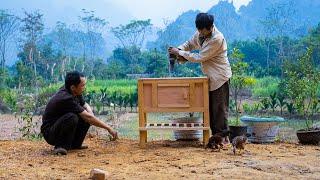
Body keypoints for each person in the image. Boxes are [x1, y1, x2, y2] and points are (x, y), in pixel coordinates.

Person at [168, 12, 232, 139]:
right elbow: (189, 44)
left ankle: (223, 140)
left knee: (219, 111)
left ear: (209, 27)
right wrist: (178, 50)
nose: (199, 32)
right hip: (210, 78)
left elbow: (200, 57)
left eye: (201, 30)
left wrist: (180, 53)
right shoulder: (201, 33)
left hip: (220, 77)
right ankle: (215, 139)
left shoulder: (217, 39)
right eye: (198, 30)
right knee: (210, 111)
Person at [41, 71, 118, 155]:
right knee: (73, 117)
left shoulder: (73, 90)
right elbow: (88, 117)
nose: (84, 87)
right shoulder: (66, 98)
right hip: (50, 133)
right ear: (73, 87)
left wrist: (90, 113)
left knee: (85, 116)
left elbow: (85, 104)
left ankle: (75, 145)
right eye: (82, 85)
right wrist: (108, 128)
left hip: (58, 126)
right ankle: (60, 147)